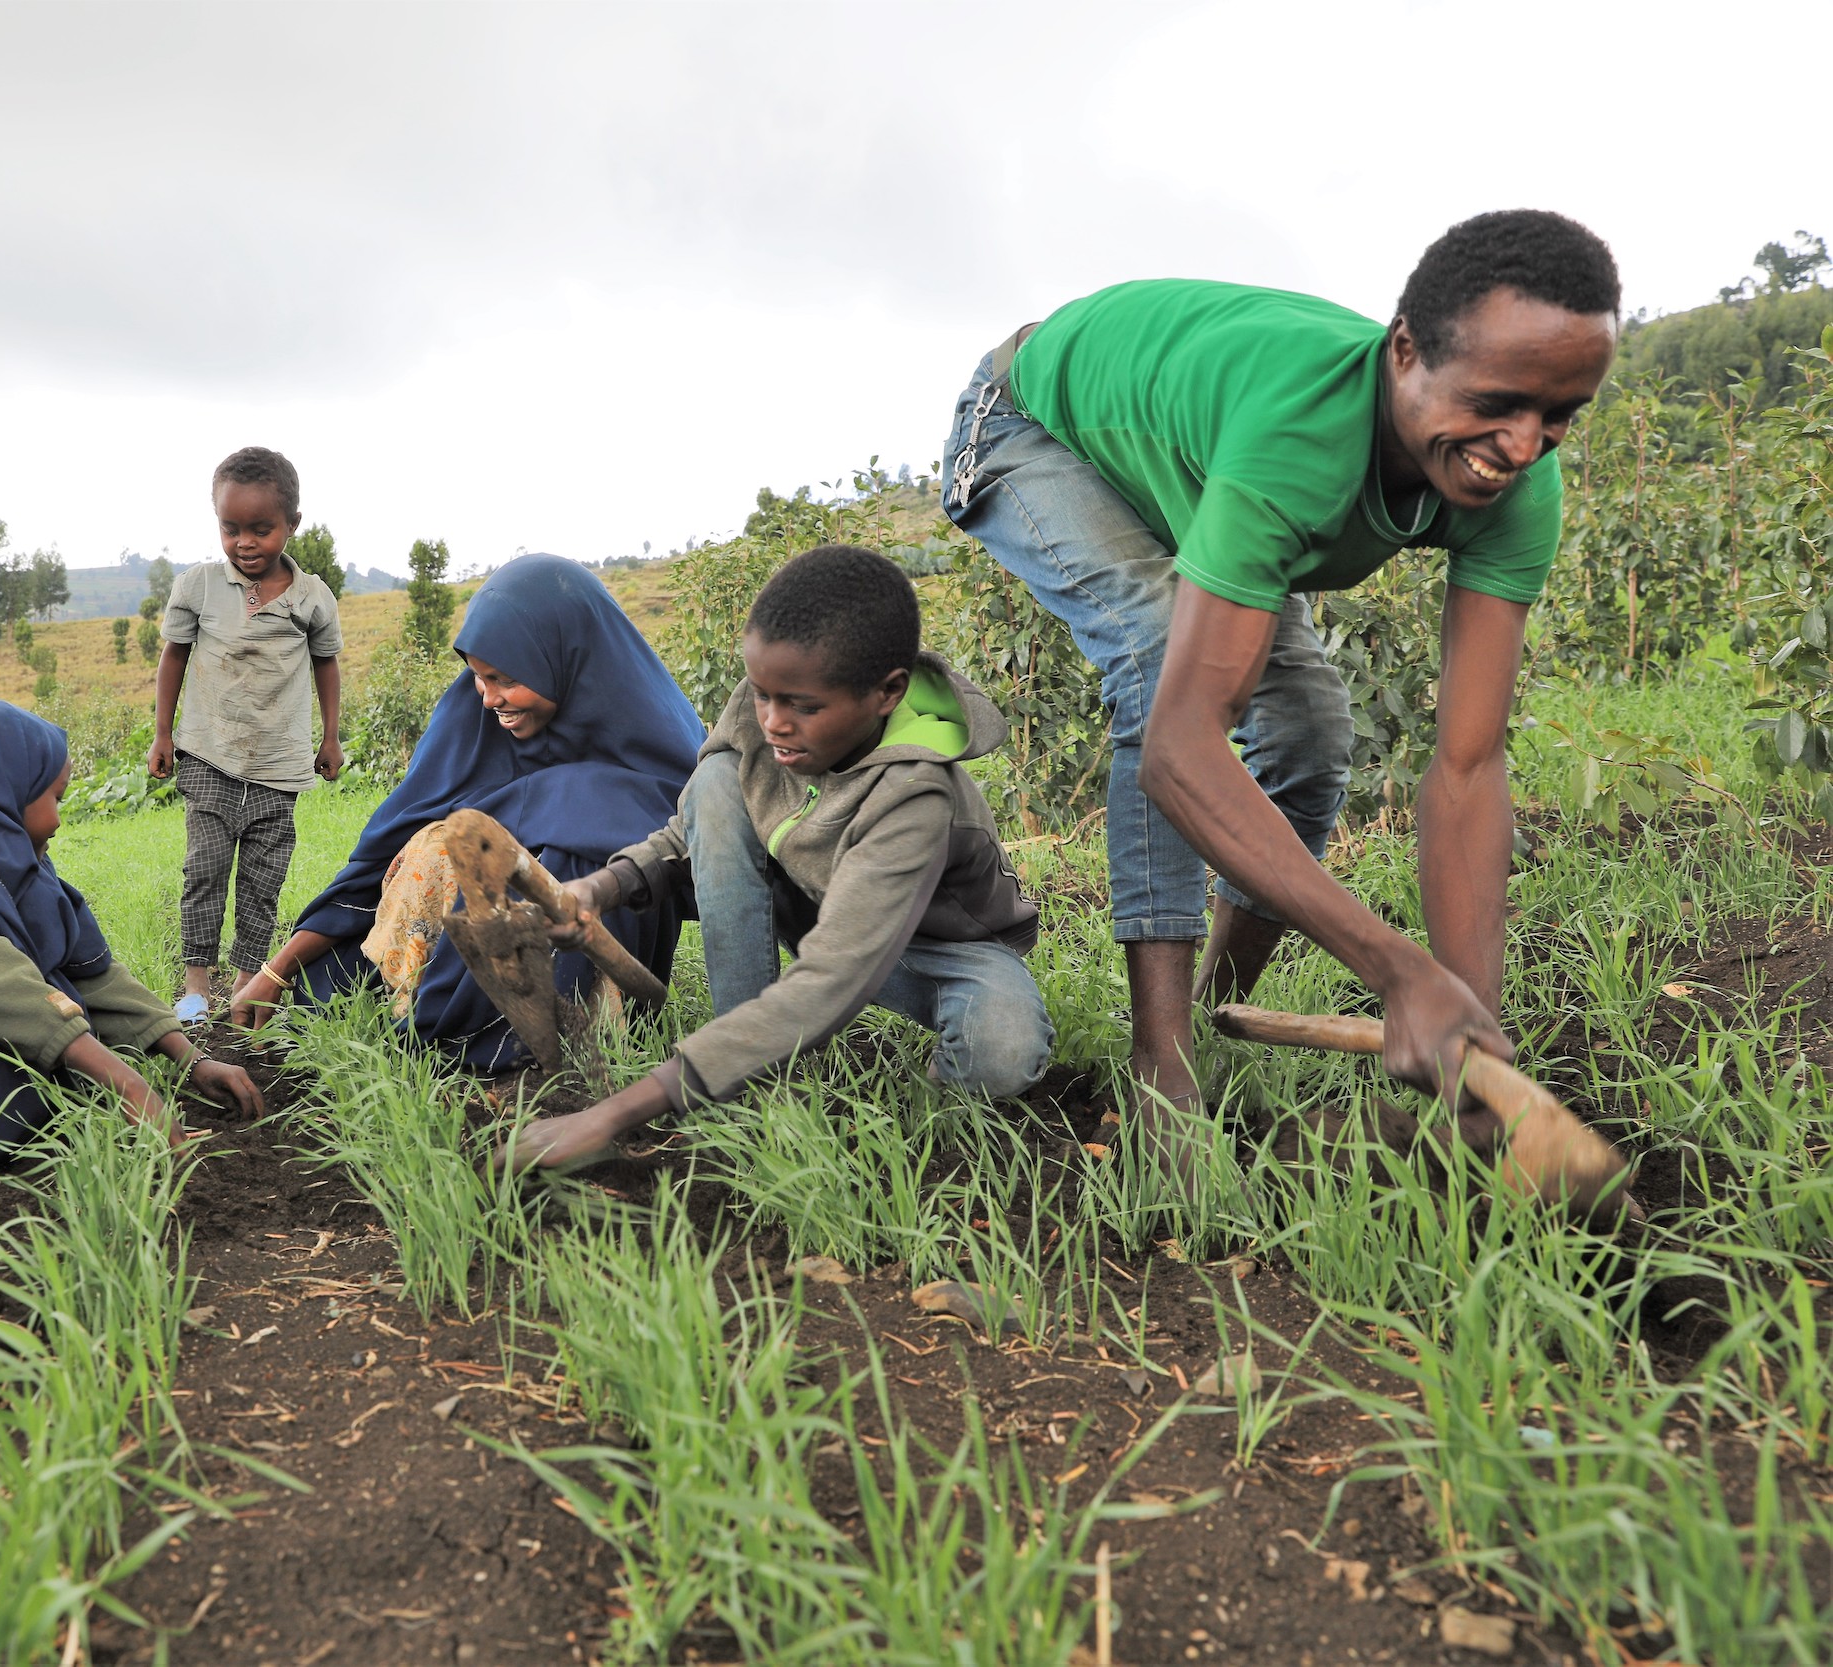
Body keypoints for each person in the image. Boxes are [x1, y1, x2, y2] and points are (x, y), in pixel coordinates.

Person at [935, 209, 1620, 1151]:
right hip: (1035, 423)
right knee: (1153, 654)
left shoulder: (1518, 487)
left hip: (1192, 466)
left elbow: (1469, 765)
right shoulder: (1301, 433)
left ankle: (1216, 1008)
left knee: (1307, 729)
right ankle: (1161, 1066)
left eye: (1559, 417)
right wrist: (1397, 971)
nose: (1522, 446)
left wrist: (1474, 1045)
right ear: (1407, 351)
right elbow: (1182, 749)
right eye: (1498, 402)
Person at [509, 545, 1050, 1168]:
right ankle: (747, 1077)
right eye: (763, 695)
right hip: (820, 905)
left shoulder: (914, 795)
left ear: (887, 693)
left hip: (944, 948)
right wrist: (600, 889)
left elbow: (832, 981)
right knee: (716, 779)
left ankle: (892, 1114)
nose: (772, 722)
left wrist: (612, 1114)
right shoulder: (771, 700)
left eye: (802, 707)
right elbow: (691, 827)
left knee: (1004, 1050)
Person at [231, 553, 705, 1071]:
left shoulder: (646, 731)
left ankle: (545, 1043)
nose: (487, 698)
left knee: (584, 843)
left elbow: (690, 858)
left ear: (558, 654)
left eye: (503, 678)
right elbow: (375, 864)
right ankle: (424, 1009)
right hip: (450, 955)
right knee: (434, 846)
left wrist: (574, 800)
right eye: (477, 676)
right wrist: (277, 971)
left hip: (573, 977)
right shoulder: (472, 720)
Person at [0, 698, 264, 1185]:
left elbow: (88, 969)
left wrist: (191, 1059)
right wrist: (128, 1086)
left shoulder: (4, 848)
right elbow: (3, 988)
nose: (59, 820)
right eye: (55, 798)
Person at [144, 446, 344, 1026]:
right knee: (204, 868)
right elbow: (173, 656)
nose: (245, 542)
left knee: (263, 877)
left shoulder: (313, 598)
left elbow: (326, 665)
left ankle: (246, 984)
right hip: (209, 753)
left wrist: (330, 738)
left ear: (292, 525)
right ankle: (195, 987)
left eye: (262, 529)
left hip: (280, 765)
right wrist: (163, 733)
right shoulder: (199, 587)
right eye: (231, 528)